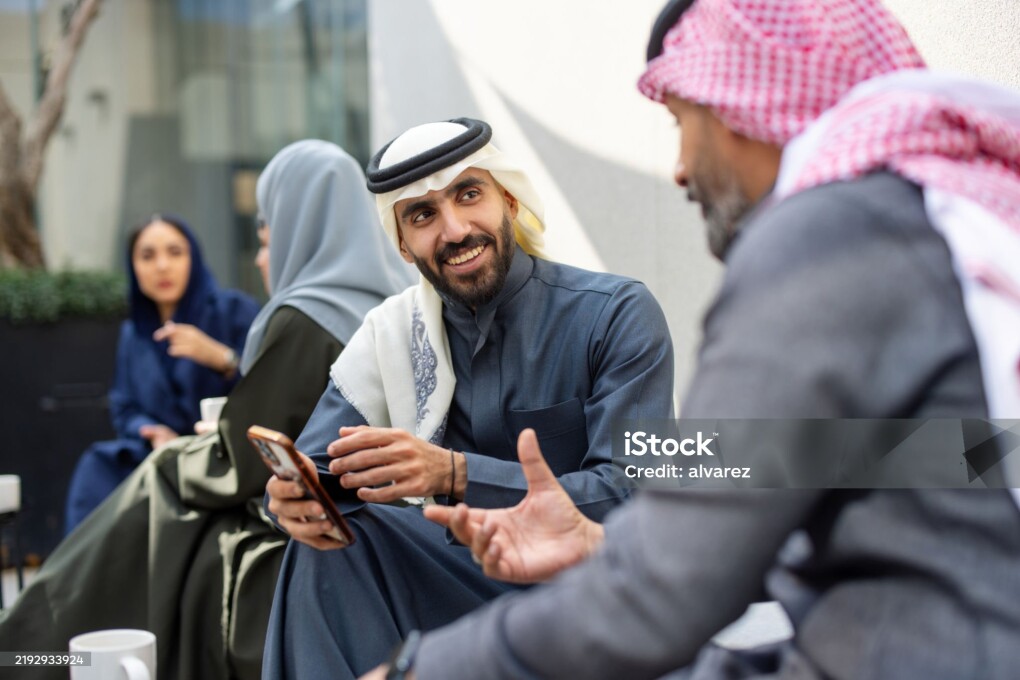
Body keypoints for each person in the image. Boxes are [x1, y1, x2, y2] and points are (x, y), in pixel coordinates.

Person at [361, 1, 1020, 678]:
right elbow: (944, 461)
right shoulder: (923, 232)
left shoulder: (824, 244)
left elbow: (660, 596)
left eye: (682, 123)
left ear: (748, 104)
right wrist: (598, 541)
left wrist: (422, 670)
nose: (677, 167)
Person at [261, 118, 676, 679]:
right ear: (404, 245)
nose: (454, 230)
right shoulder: (393, 332)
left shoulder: (615, 315)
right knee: (329, 545)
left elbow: (632, 493)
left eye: (469, 194)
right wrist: (292, 501)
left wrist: (456, 474)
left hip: (580, 584)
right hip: (457, 579)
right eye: (423, 215)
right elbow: (319, 467)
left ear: (508, 200)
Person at [0, 140, 415, 680]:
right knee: (112, 476)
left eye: (268, 236)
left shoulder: (300, 317)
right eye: (147, 255)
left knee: (159, 508)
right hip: (358, 510)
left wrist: (175, 455)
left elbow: (243, 456)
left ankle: (33, 652)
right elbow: (136, 404)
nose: (263, 254)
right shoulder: (397, 302)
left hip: (315, 514)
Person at [64, 214, 260, 531]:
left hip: (221, 452)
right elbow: (124, 405)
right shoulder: (135, 332)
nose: (162, 266)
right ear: (133, 267)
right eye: (147, 256)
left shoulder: (235, 312)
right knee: (98, 466)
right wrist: (152, 431)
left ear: (193, 258)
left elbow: (270, 384)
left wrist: (221, 357)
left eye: (175, 252)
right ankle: (78, 579)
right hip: (157, 454)